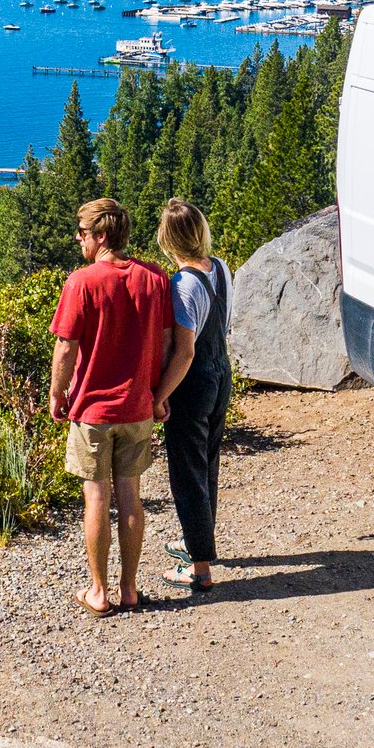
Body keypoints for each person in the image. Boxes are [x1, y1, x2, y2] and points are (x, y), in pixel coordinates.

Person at [49, 197, 183, 617]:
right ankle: (129, 588)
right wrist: (157, 394)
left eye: (83, 233)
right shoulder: (155, 278)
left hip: (93, 411)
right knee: (131, 497)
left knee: (95, 498)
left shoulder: (82, 282)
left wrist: (57, 393)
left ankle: (98, 592)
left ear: (101, 237)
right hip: (138, 408)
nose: (78, 238)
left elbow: (66, 346)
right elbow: (164, 343)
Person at [154, 198, 232, 590]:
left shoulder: (182, 284)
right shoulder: (219, 268)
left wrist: (158, 395)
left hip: (195, 382)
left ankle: (198, 568)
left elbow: (184, 352)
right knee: (208, 465)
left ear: (167, 239)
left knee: (187, 474)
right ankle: (197, 541)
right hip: (222, 374)